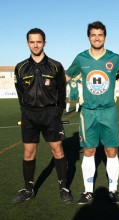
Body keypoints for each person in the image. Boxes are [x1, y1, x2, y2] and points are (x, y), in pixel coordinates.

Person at [66, 21, 119, 205]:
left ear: (105, 37)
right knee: (89, 150)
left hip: (109, 112)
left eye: (100, 34)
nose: (97, 38)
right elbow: (66, 78)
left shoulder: (115, 59)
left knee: (111, 150)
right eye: (93, 35)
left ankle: (113, 189)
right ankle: (88, 191)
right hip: (88, 113)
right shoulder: (80, 58)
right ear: (88, 37)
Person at [12, 28, 73, 204]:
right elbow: (20, 92)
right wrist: (26, 111)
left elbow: (62, 91)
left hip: (50, 115)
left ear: (44, 43)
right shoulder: (21, 67)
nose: (35, 44)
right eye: (32, 41)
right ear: (27, 44)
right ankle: (29, 189)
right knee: (28, 153)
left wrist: (57, 111)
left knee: (58, 150)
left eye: (39, 41)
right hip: (29, 116)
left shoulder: (55, 66)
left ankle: (63, 188)